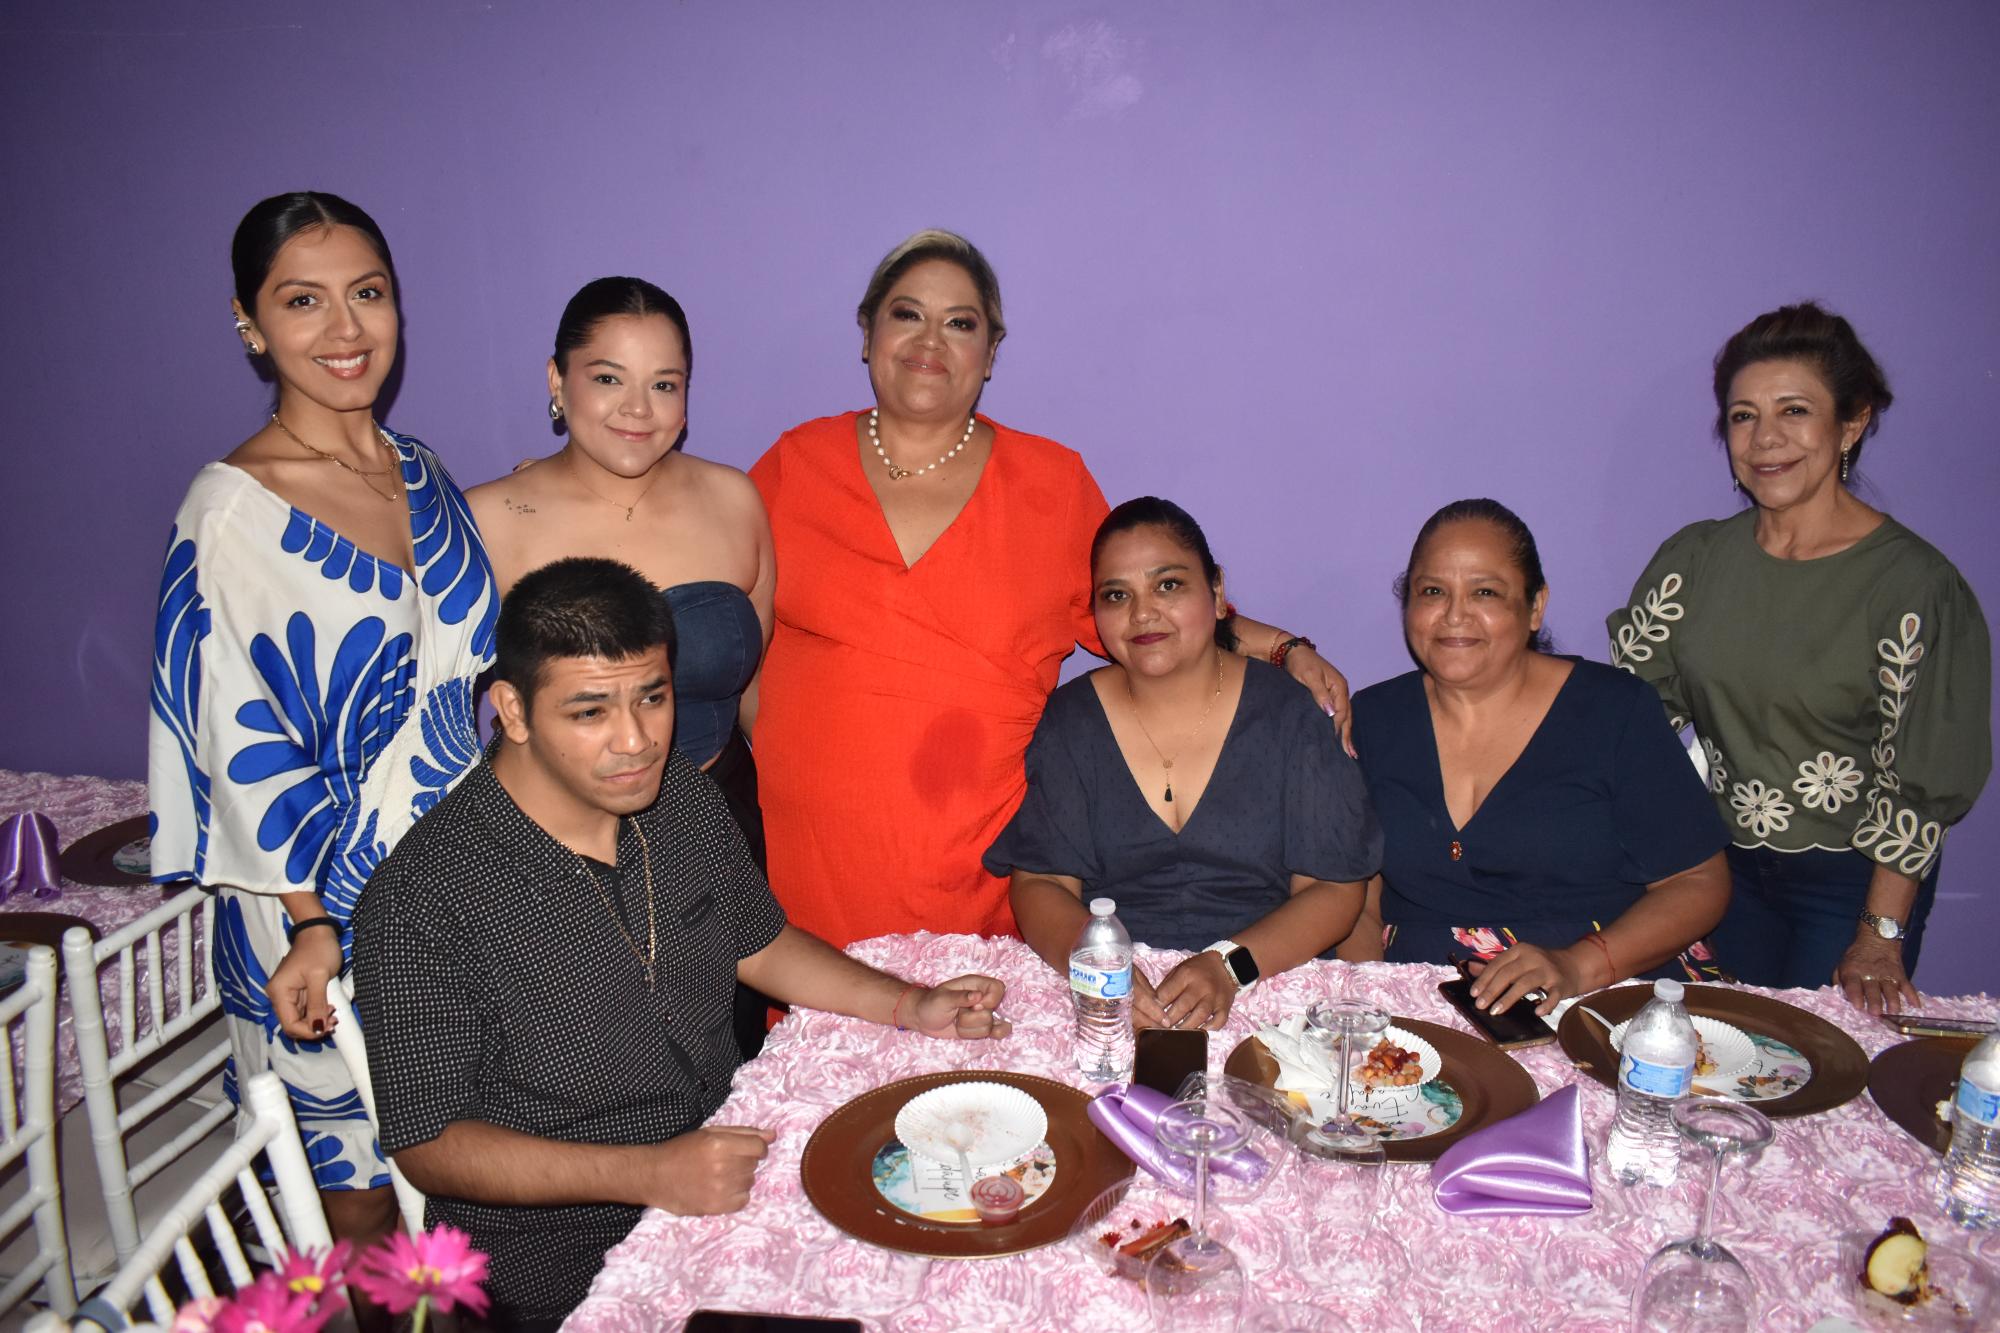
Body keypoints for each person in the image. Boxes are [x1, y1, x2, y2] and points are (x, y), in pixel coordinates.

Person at [350, 557, 1009, 1330]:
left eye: (652, 697)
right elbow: (430, 1140)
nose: (636, 740)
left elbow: (757, 943)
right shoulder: (419, 901)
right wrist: (650, 1172)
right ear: (514, 710)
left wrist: (907, 1002)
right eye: (590, 711)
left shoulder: (679, 798)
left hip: (729, 1181)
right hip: (561, 1270)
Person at [749, 229, 1351, 952]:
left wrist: (1285, 647)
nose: (930, 340)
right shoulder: (791, 467)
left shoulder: (1051, 485)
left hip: (981, 881)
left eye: (961, 322)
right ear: (868, 333)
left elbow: (1148, 608)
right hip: (816, 880)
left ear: (991, 354)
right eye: (907, 313)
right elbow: (726, 644)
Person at [147, 192, 498, 1254]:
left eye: (368, 295)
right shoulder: (233, 509)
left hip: (456, 876)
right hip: (319, 902)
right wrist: (313, 923)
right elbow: (236, 739)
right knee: (359, 1187)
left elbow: (462, 681)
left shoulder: (423, 469)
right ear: (251, 325)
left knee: (466, 1160)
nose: (346, 332)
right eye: (303, 302)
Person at [1610, 304, 1990, 1012]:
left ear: (1851, 423)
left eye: (1794, 410)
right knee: (1722, 1060)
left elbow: (1923, 780)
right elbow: (1628, 719)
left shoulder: (1915, 588)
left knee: (1818, 1071)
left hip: (1853, 884)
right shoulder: (1693, 563)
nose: (1765, 439)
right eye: (1743, 416)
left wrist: (1879, 933)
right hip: (1718, 870)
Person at [467, 277, 777, 1053]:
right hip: (560, 850)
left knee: (729, 1063)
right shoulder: (487, 519)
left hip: (722, 824)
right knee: (591, 1075)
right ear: (556, 379)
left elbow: (757, 699)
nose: (638, 409)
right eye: (608, 377)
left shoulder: (735, 500)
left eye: (663, 384)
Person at [987, 499, 1381, 1030]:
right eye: (1117, 595)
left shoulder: (1290, 712)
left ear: (1218, 594)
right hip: (1115, 1000)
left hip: (1268, 986)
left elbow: (1334, 890)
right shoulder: (1073, 720)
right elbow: (1042, 886)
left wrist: (1229, 967)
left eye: (1167, 585)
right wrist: (1101, 969)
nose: (1142, 613)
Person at [1340, 500, 1731, 1017]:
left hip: (1604, 990)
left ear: (1535, 606)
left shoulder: (1613, 709)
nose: (1454, 615)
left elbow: (1698, 883)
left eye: (1485, 592)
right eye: (1432, 591)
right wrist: (1372, 1003)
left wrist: (1575, 966)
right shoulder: (1372, 718)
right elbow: (1356, 898)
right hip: (1417, 996)